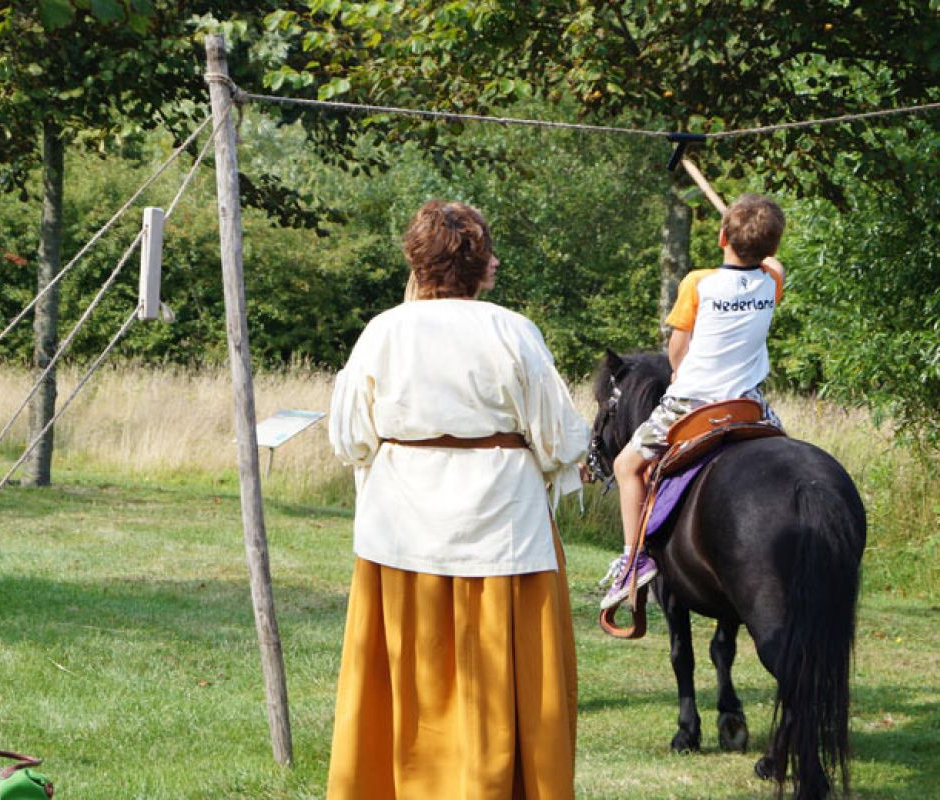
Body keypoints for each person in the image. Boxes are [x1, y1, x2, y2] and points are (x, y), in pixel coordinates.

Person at [326, 201, 588, 799]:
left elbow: (349, 438)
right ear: (482, 266)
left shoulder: (384, 330)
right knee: (505, 681)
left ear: (417, 262)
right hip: (503, 529)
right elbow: (558, 437)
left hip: (402, 529)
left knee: (403, 679)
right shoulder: (512, 330)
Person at [600, 194, 786, 611]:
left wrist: (681, 372)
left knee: (626, 465)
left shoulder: (697, 283)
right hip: (748, 402)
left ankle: (634, 559)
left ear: (722, 236)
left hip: (692, 401)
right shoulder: (772, 280)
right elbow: (773, 264)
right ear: (772, 247)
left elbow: (677, 349)